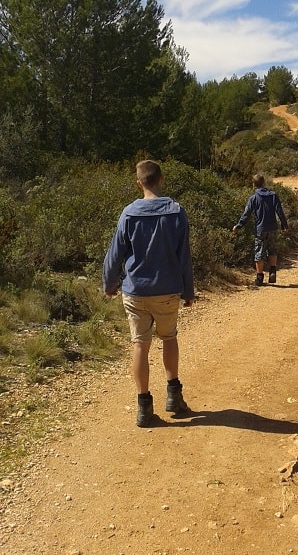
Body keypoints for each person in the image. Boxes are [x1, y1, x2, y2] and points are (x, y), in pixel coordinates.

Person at [103, 160, 194, 427]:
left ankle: (144, 407)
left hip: (135, 291)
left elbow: (114, 254)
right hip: (167, 290)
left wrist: (110, 283)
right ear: (162, 179)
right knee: (169, 338)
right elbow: (184, 256)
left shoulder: (129, 213)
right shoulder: (177, 212)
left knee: (140, 345)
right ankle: (173, 396)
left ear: (138, 183)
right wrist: (188, 290)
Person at [233, 173, 289, 285]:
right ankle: (272, 271)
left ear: (253, 184)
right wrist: (284, 226)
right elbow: (280, 212)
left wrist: (238, 225)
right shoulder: (273, 196)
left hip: (260, 229)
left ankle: (259, 277)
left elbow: (246, 214)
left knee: (259, 252)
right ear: (263, 183)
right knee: (272, 249)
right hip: (272, 227)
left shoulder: (253, 198)